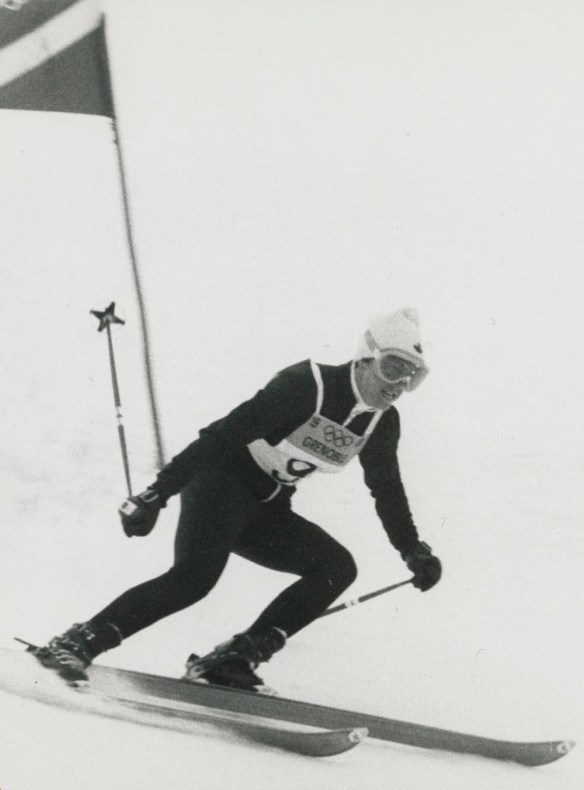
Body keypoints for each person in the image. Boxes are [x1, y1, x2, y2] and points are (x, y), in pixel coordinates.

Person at [35, 307, 442, 690]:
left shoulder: (382, 423)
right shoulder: (308, 385)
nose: (400, 386)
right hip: (221, 483)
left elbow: (386, 488)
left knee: (336, 567)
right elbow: (223, 434)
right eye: (393, 368)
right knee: (195, 578)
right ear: (365, 358)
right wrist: (158, 493)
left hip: (268, 505)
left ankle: (233, 658)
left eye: (413, 376)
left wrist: (412, 550)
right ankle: (77, 643)